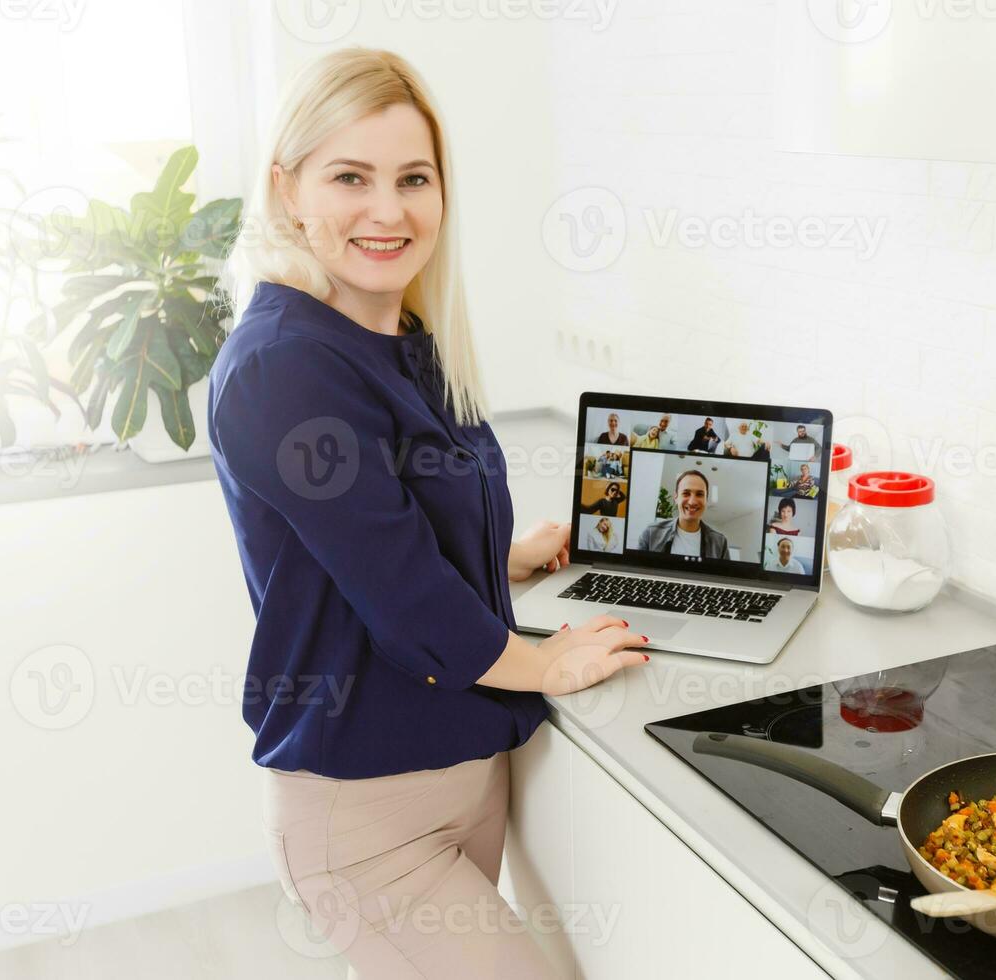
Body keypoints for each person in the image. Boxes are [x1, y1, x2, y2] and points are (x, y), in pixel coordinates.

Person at [208, 48, 650, 980]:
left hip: (457, 774)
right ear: (287, 189)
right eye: (350, 177)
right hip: (368, 817)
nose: (389, 209)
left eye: (414, 177)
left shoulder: (396, 331)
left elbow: (381, 532)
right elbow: (402, 595)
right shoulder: (285, 363)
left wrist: (508, 558)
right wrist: (542, 658)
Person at [635, 469, 730, 559]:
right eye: (686, 493)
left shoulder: (720, 543)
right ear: (676, 497)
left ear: (706, 499)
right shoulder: (651, 533)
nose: (692, 502)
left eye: (699, 494)